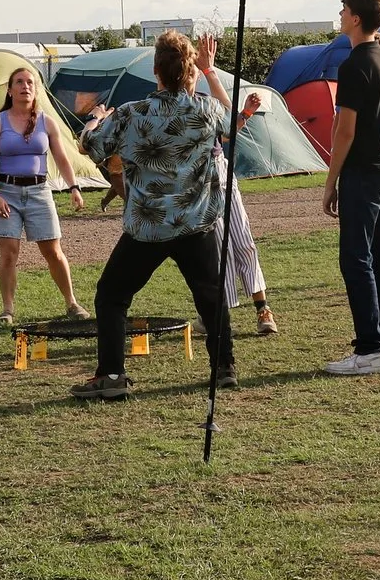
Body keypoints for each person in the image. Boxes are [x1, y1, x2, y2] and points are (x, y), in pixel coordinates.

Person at [79, 30, 237, 400]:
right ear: (190, 71)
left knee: (112, 296)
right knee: (210, 297)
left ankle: (112, 375)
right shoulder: (206, 110)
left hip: (147, 228)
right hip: (196, 224)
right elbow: (233, 123)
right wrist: (210, 71)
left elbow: (91, 146)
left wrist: (95, 118)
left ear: (156, 70)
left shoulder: (132, 114)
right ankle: (224, 367)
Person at [322, 0, 380, 377]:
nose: (340, 14)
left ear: (356, 18)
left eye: (344, 9)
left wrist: (330, 181)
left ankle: (370, 348)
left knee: (356, 259)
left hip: (364, 172)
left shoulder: (354, 65)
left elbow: (345, 131)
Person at [0, 66, 87, 327]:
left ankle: (72, 303)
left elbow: (62, 158)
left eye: (30, 82)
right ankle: (7, 310)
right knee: (9, 253)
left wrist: (74, 187)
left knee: (53, 251)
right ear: (10, 90)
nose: (25, 86)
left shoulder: (46, 122)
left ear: (36, 89)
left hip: (39, 191)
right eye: (19, 82)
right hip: (6, 193)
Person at [194, 34, 280, 336]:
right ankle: (216, 315)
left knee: (243, 240)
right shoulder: (174, 105)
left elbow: (228, 126)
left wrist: (209, 71)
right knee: (218, 249)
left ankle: (263, 310)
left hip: (220, 172)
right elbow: (230, 124)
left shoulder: (203, 101)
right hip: (198, 181)